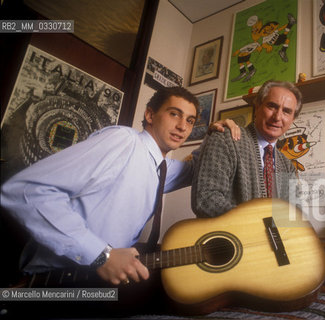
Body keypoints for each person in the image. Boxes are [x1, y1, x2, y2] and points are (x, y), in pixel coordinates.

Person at [0, 86, 239, 317]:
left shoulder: (162, 168)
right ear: (149, 114)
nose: (182, 126)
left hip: (96, 288)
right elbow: (26, 190)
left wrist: (214, 138)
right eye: (174, 114)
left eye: (190, 120)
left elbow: (195, 169)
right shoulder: (123, 142)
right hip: (50, 285)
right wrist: (100, 254)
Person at [191, 80, 325, 289]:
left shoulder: (287, 164)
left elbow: (293, 217)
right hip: (237, 253)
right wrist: (262, 225)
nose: (278, 117)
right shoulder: (226, 139)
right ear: (257, 106)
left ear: (293, 118)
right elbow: (205, 199)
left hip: (277, 252)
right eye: (271, 106)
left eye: (287, 111)